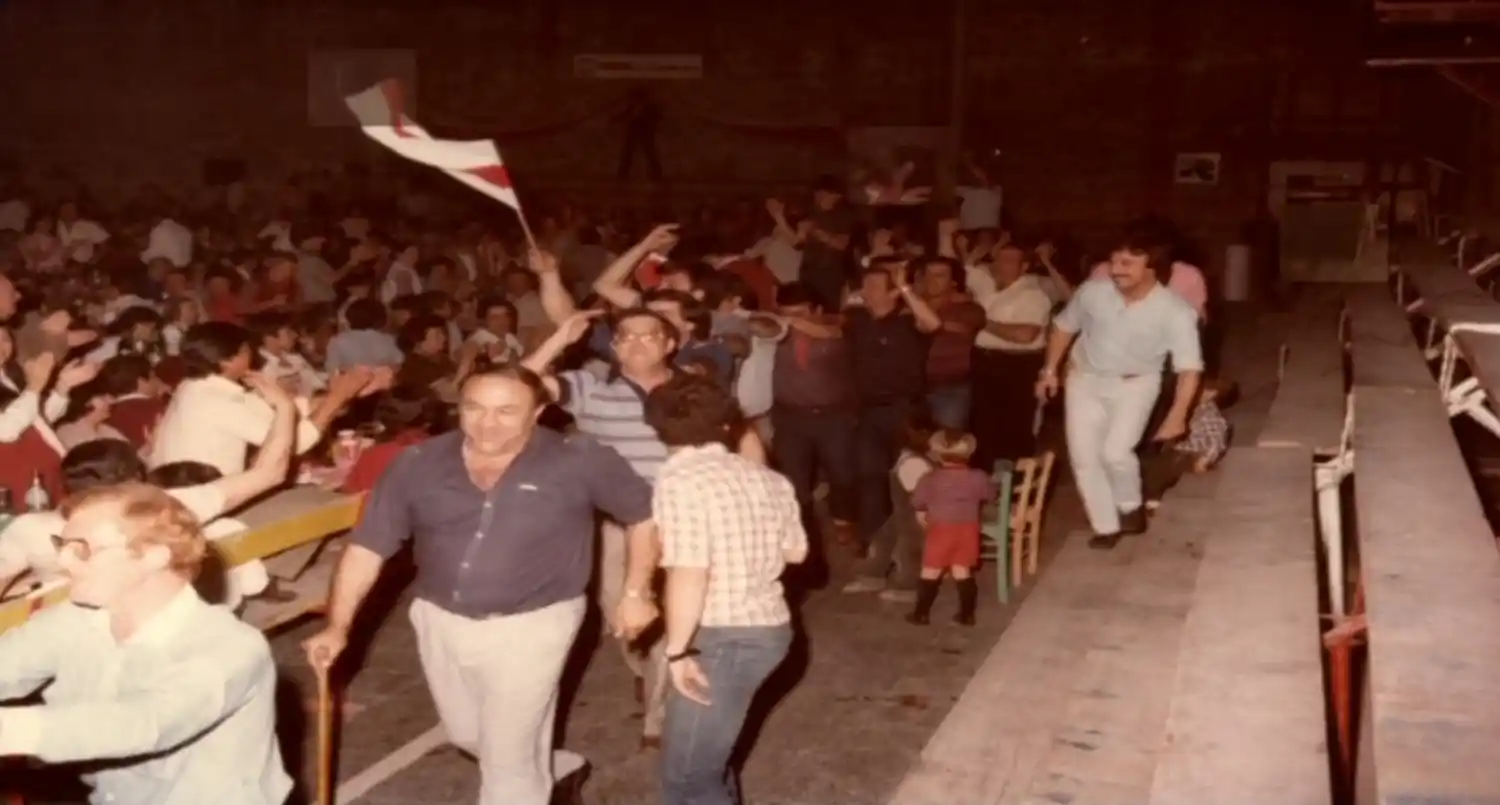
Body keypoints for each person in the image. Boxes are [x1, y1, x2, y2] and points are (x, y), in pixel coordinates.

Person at [302, 364, 660, 805]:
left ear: (538, 412)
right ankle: (557, 767)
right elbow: (366, 548)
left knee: (506, 764)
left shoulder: (579, 458)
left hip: (535, 622)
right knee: (467, 735)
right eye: (475, 408)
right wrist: (337, 626)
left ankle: (528, 784)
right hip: (439, 618)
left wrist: (636, 591)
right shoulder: (417, 462)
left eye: (506, 411)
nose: (487, 423)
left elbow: (644, 516)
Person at [0, 481, 292, 804]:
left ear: (153, 556)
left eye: (82, 548)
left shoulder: (232, 648)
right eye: (62, 546)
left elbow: (144, 723)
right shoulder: (75, 621)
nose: (64, 563)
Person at [644, 373, 806, 805]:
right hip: (769, 629)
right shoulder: (768, 479)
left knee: (687, 781)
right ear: (724, 424)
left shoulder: (679, 480)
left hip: (720, 638)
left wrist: (677, 651)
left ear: (657, 427)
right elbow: (796, 553)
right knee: (711, 762)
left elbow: (690, 571)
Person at [1036, 224, 1203, 550]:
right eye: (1114, 261)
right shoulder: (1093, 293)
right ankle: (1106, 526)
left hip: (1136, 384)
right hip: (1085, 380)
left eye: (1127, 264)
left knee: (1115, 452)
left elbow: (1189, 369)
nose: (1116, 270)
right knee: (1085, 458)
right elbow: (1063, 327)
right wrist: (1049, 370)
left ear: (1152, 269)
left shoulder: (1175, 311)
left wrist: (1178, 415)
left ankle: (1129, 505)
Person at [907, 431, 994, 626]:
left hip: (941, 529)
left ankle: (921, 613)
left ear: (936, 454)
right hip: (968, 529)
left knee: (931, 570)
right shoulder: (978, 476)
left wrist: (922, 511)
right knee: (962, 569)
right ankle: (966, 614)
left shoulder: (930, 478)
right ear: (970, 453)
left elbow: (917, 501)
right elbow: (990, 494)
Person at [1142, 378, 1233, 511]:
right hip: (1179, 448)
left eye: (1202, 390)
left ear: (1212, 394)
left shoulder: (1209, 414)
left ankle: (1152, 497)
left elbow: (1216, 440)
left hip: (1192, 453)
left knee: (1165, 466)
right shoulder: (1194, 408)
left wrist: (1204, 460)